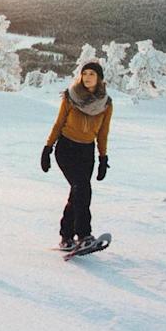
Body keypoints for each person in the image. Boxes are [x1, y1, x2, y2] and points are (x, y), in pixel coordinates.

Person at [40, 61, 113, 251]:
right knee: (82, 189)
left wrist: (103, 158)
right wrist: (47, 148)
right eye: (85, 73)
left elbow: (103, 133)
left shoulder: (105, 104)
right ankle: (84, 234)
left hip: (86, 152)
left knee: (77, 192)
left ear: (99, 78)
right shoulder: (71, 97)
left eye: (92, 74)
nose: (87, 77)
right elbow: (58, 123)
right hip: (66, 148)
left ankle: (66, 237)